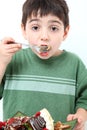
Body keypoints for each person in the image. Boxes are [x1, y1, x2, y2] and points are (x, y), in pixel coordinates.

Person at [0, 0, 87, 129]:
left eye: (53, 28)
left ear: (65, 32)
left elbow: (84, 99)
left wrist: (81, 114)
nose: (44, 36)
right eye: (35, 27)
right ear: (24, 30)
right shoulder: (12, 60)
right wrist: (2, 62)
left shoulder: (74, 64)